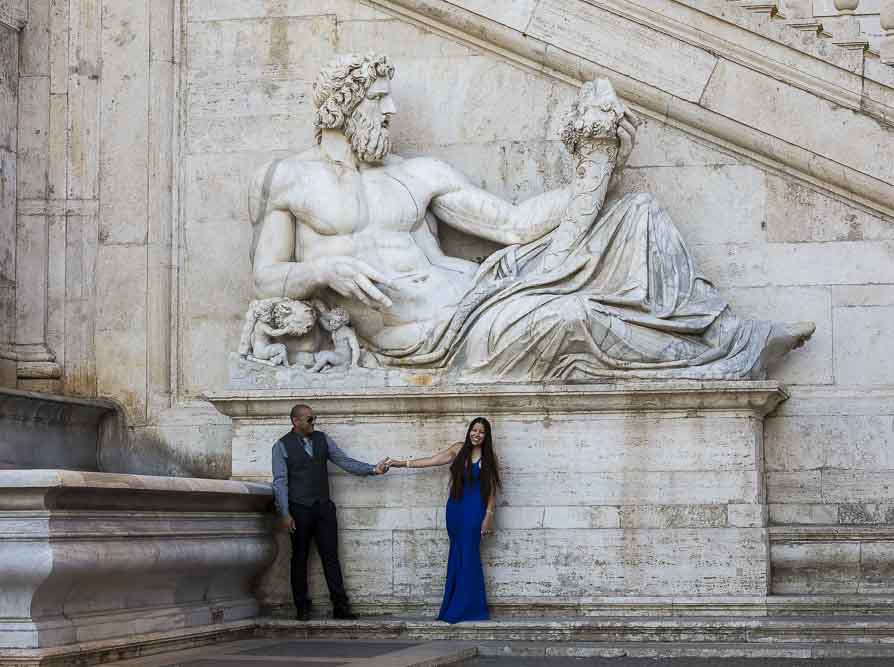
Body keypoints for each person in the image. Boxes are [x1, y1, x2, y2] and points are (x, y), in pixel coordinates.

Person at [247, 54, 814, 383]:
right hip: (428, 335)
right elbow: (267, 277)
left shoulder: (417, 174)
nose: (391, 109)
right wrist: (321, 274)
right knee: (574, 316)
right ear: (344, 106)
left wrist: (594, 169)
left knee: (636, 216)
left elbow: (514, 225)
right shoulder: (291, 179)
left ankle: (723, 335)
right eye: (378, 98)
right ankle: (718, 358)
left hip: (484, 294)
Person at [271, 403, 390, 621]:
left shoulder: (322, 439)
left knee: (331, 557)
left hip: (324, 508)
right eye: (309, 419)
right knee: (299, 558)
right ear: (296, 421)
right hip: (299, 509)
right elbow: (280, 482)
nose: (313, 422)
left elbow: (344, 461)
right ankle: (302, 607)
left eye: (313, 418)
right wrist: (285, 513)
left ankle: (340, 606)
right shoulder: (281, 446)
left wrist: (372, 469)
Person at [388, 417, 501, 623]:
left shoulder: (488, 457)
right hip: (455, 509)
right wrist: (400, 463)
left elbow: (492, 491)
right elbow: (432, 460)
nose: (476, 434)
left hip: (475, 511)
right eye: (474, 430)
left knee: (469, 556)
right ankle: (455, 606)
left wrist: (488, 517)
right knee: (457, 555)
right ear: (469, 432)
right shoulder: (458, 449)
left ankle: (468, 609)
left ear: (487, 436)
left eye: (481, 432)